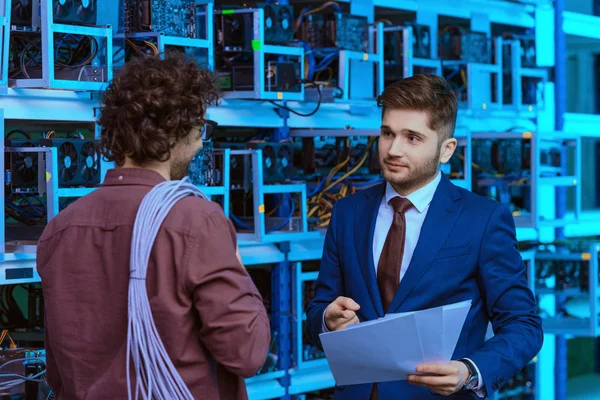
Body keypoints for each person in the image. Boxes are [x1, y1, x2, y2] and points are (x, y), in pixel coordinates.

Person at [36, 52, 271, 400]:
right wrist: (235, 262)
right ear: (176, 130)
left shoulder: (61, 229)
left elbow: (58, 373)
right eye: (201, 129)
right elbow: (246, 352)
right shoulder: (195, 222)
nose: (202, 142)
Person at [306, 74, 543, 399]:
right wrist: (326, 320)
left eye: (412, 138)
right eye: (387, 133)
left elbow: (523, 325)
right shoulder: (348, 213)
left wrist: (469, 370)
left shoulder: (483, 219)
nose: (393, 149)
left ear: (446, 150)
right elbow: (320, 307)